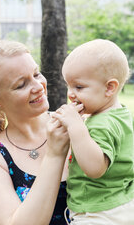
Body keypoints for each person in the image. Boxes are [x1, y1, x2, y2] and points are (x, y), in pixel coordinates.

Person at [0, 40, 77, 225]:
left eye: (36, 74)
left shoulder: (75, 124)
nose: (38, 86)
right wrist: (55, 154)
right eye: (21, 85)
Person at [52, 39, 134, 224]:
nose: (70, 93)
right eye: (68, 86)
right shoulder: (118, 114)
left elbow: (95, 168)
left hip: (99, 213)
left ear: (109, 88)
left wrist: (76, 127)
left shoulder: (102, 124)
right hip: (119, 202)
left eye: (79, 87)